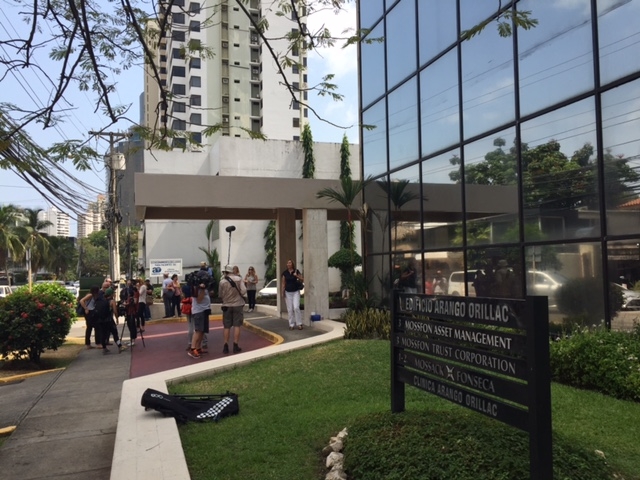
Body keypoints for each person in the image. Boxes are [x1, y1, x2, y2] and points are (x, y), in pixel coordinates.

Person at [219, 264, 247, 354]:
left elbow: (220, 294)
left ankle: (225, 346)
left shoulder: (222, 282)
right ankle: (235, 345)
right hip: (238, 305)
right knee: (237, 325)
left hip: (226, 305)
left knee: (226, 326)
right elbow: (243, 290)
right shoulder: (239, 279)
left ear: (225, 272)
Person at [188, 280, 211, 359]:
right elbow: (199, 300)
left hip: (204, 310)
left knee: (202, 330)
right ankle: (192, 348)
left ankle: (198, 348)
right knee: (198, 330)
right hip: (199, 311)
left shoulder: (203, 287)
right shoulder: (196, 288)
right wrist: (202, 289)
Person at [281, 259, 304, 330]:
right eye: (287, 263)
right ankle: (291, 324)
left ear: (292, 264)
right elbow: (283, 283)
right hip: (288, 292)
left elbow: (302, 279)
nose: (288, 264)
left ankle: (299, 323)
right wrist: (282, 292)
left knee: (296, 307)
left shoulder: (296, 271)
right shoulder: (285, 273)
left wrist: (297, 276)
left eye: (290, 263)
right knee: (290, 309)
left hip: (295, 291)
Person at [104, 288, 127, 352]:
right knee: (115, 333)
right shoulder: (112, 301)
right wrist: (117, 318)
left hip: (102, 320)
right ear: (111, 294)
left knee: (104, 333)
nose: (114, 294)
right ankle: (119, 346)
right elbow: (115, 311)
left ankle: (104, 348)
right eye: (113, 293)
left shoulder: (103, 300)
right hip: (109, 320)